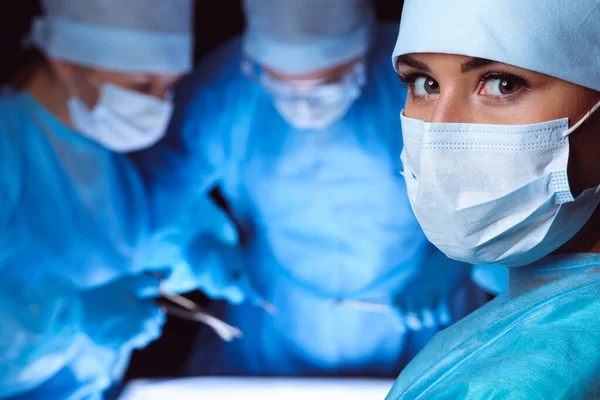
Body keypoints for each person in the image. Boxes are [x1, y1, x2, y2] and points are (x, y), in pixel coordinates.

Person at [134, 0, 486, 377]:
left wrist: (458, 260)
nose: (303, 107)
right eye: (281, 85)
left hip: (419, 307)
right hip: (271, 313)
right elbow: (158, 187)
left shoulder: (416, 79)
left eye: (327, 84)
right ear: (255, 66)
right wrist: (195, 246)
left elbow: (490, 179)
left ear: (360, 56)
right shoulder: (227, 86)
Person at [385, 0, 600, 398]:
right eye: (424, 84)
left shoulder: (531, 383)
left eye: (503, 84)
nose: (438, 135)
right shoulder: (540, 309)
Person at [0, 0, 196, 398]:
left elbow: (118, 256)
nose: (157, 104)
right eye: (141, 85)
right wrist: (69, 319)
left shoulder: (108, 158)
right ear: (64, 59)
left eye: (169, 86)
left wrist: (193, 253)